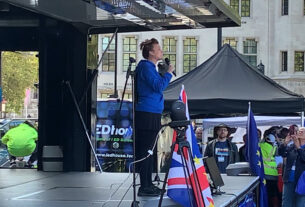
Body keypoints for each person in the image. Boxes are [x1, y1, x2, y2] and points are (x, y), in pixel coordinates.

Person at [134, 38, 174, 196]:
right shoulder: (146, 66)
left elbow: (157, 84)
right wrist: (169, 74)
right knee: (146, 149)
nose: (161, 51)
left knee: (150, 149)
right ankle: (144, 186)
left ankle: (148, 184)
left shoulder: (151, 68)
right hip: (147, 112)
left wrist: (164, 74)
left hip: (152, 111)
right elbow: (158, 86)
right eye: (158, 49)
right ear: (150, 52)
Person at [278, 127, 305, 207]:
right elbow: (281, 153)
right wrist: (285, 143)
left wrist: (299, 147)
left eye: (302, 131)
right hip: (289, 178)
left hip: (302, 180)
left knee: (300, 203)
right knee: (286, 203)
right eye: (299, 131)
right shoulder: (292, 146)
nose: (300, 132)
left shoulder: (296, 146)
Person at [260, 133, 280, 207]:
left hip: (266, 173)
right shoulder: (274, 147)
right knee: (273, 195)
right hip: (272, 174)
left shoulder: (261, 145)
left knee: (268, 195)